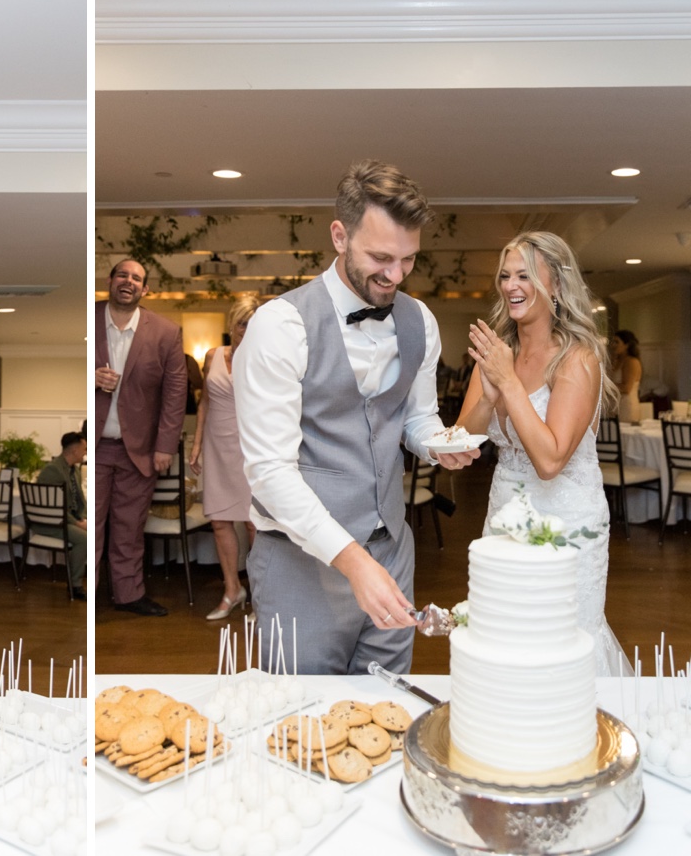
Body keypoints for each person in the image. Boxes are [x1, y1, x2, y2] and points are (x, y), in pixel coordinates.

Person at [233, 160, 478, 675]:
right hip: (301, 563)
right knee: (302, 728)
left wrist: (438, 444)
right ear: (340, 236)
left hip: (390, 553)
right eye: (381, 258)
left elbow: (416, 419)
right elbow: (270, 472)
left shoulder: (421, 321)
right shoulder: (280, 326)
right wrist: (353, 563)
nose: (394, 275)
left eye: (409, 260)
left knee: (387, 708)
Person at [456, 231, 628, 675]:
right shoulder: (498, 353)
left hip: (568, 523)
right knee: (505, 635)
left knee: (565, 640)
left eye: (526, 276)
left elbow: (551, 461)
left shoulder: (578, 358)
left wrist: (510, 383)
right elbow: (462, 440)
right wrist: (490, 395)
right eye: (506, 275)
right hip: (504, 517)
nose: (511, 285)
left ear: (555, 284)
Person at [94, 259, 187, 617]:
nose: (128, 281)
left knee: (130, 528)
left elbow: (175, 393)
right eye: (122, 275)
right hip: (96, 448)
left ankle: (129, 596)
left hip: (141, 451)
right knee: (94, 525)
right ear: (110, 281)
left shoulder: (166, 332)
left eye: (136, 278)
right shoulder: (86, 319)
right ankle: (88, 591)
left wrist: (165, 446)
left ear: (145, 290)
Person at [189, 296, 258, 622]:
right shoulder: (213, 355)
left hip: (252, 447)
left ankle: (261, 596)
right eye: (243, 322)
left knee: (254, 523)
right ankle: (232, 590)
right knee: (219, 522)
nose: (247, 329)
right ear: (231, 324)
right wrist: (197, 443)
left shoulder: (263, 357)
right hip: (217, 446)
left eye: (254, 323)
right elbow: (205, 403)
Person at [36, 431, 88, 600]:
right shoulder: (53, 471)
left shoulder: (75, 470)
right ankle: (75, 585)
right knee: (84, 538)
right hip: (50, 521)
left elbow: (79, 500)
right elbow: (53, 507)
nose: (86, 452)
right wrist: (77, 524)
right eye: (84, 449)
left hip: (67, 518)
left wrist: (84, 518)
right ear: (74, 451)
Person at [609, 330, 643, 424]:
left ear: (626, 345)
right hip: (614, 406)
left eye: (617, 342)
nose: (613, 345)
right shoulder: (615, 361)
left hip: (626, 407)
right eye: (613, 342)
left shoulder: (631, 362)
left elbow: (627, 388)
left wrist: (606, 387)